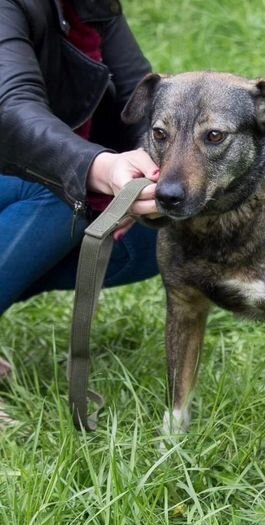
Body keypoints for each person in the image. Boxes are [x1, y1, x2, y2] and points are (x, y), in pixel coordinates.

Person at [0, 0, 161, 425]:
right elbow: (11, 107)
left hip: (34, 173)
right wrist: (97, 169)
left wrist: (155, 171)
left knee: (159, 234)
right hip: (26, 168)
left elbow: (137, 97)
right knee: (62, 195)